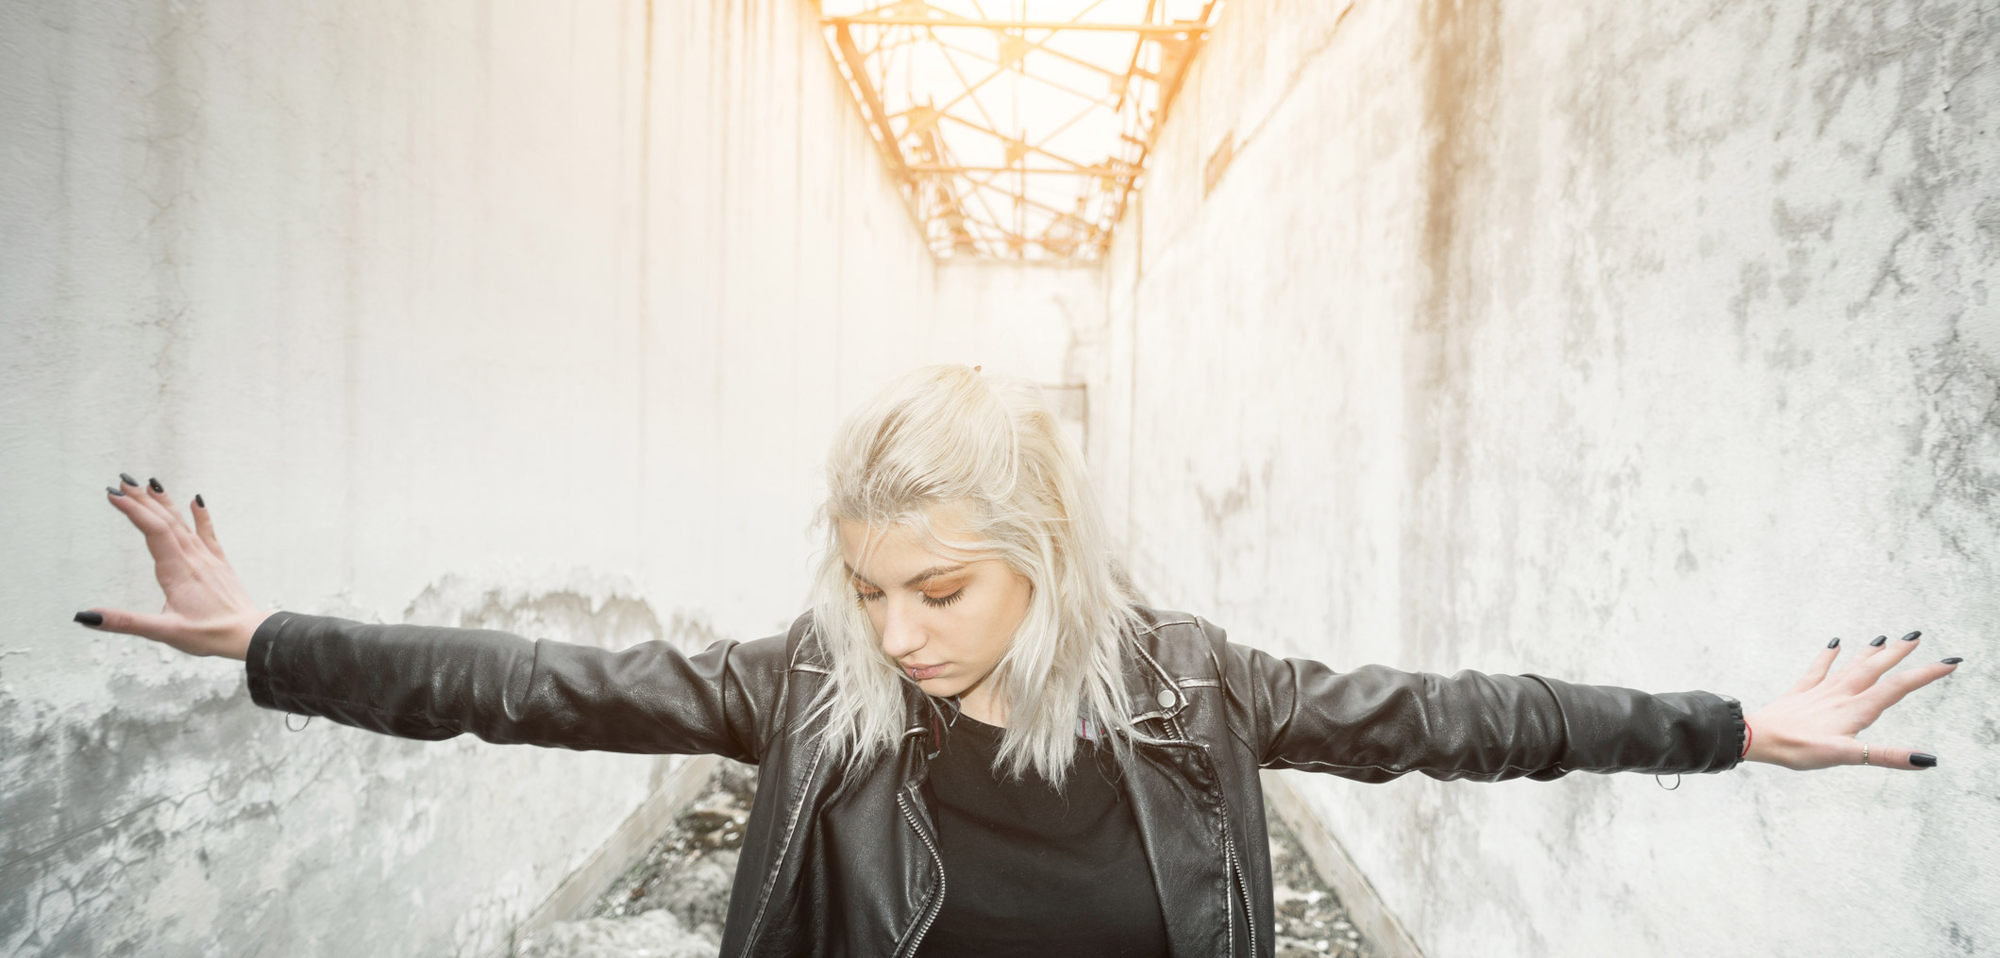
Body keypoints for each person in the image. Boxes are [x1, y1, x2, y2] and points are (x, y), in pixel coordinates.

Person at [76, 364, 1961, 957]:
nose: (892, 634)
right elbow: (529, 684)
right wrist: (273, 636)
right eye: (866, 584)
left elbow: (1471, 718)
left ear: (1043, 565)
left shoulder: (1196, 685)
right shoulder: (806, 689)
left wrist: (1741, 728)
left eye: (941, 592)